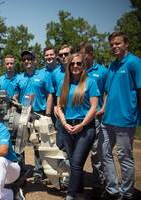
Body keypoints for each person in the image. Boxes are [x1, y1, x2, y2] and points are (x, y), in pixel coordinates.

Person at [100, 32, 141, 200]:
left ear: (126, 44)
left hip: (125, 119)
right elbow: (108, 92)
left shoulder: (135, 63)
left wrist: (136, 113)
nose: (114, 46)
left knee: (124, 157)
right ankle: (112, 190)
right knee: (105, 153)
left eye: (118, 43)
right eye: (112, 44)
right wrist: (102, 109)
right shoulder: (112, 65)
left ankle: (126, 193)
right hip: (107, 119)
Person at [56, 53, 100, 200]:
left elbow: (94, 108)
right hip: (67, 127)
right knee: (74, 162)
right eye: (72, 63)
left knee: (75, 162)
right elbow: (59, 107)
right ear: (68, 66)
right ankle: (79, 190)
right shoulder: (64, 84)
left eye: (79, 63)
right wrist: (64, 123)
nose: (75, 66)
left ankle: (71, 194)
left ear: (83, 66)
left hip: (85, 128)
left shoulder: (91, 82)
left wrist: (82, 124)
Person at [13, 50, 54, 184]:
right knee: (20, 143)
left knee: (39, 145)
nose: (26, 61)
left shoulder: (44, 75)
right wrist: (15, 102)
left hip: (39, 113)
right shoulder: (19, 77)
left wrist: (48, 114)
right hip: (23, 113)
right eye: (24, 59)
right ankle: (21, 170)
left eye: (29, 58)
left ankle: (38, 172)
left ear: (34, 60)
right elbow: (15, 95)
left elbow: (49, 95)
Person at [79, 42, 108, 196]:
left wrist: (103, 109)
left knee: (97, 153)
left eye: (83, 54)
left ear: (90, 54)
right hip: (80, 119)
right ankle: (79, 183)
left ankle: (97, 185)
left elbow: (108, 91)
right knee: (79, 153)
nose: (81, 57)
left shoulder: (102, 71)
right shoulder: (78, 71)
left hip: (97, 119)